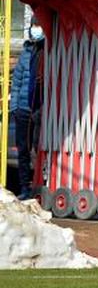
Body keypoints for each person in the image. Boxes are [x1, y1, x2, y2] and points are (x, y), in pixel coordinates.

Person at [8, 17, 44, 200]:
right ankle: (24, 187)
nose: (35, 29)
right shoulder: (25, 53)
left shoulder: (46, 51)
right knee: (23, 150)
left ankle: (39, 185)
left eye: (38, 25)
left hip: (37, 109)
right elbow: (16, 82)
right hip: (22, 109)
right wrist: (14, 106)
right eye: (33, 26)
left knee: (38, 147)